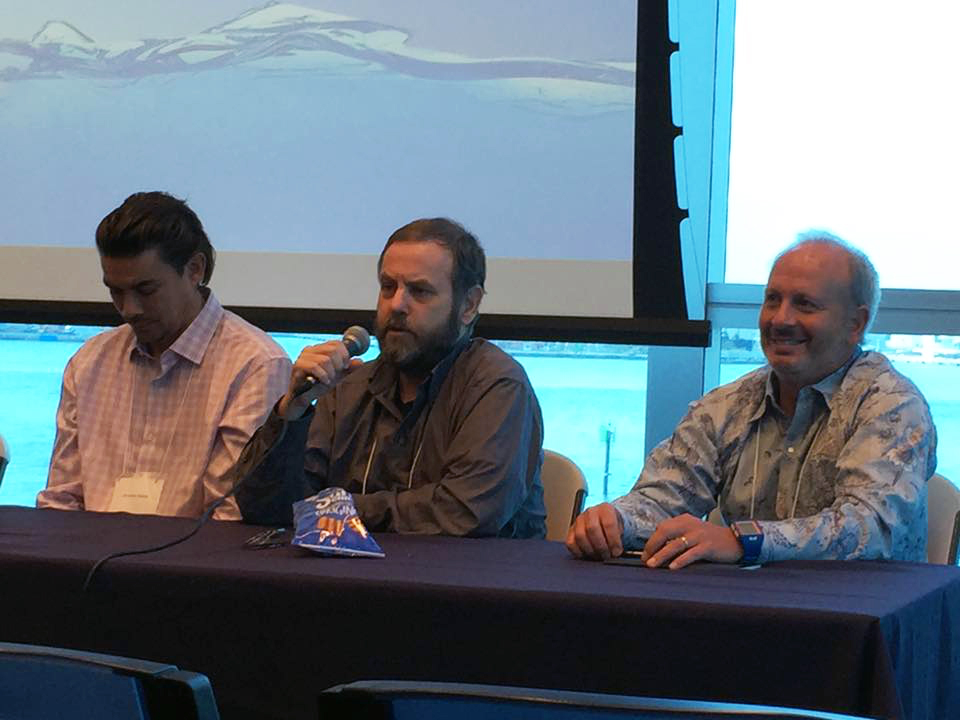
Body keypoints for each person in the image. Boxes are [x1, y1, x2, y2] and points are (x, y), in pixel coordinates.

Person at [568, 232, 937, 566]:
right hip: (747, 612)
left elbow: (868, 527)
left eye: (805, 305)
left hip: (863, 620)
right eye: (772, 300)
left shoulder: (892, 406)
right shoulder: (726, 406)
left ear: (855, 324)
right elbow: (662, 497)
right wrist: (615, 521)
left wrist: (745, 541)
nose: (780, 319)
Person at [236, 218, 546, 537]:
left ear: (468, 305)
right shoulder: (347, 387)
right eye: (388, 287)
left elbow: (463, 514)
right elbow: (266, 509)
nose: (397, 304)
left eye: (420, 291)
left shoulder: (497, 386)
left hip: (465, 581)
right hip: (346, 580)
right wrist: (294, 408)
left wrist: (337, 508)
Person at [37, 192, 291, 519]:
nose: (129, 309)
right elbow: (60, 500)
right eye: (115, 291)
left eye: (146, 290)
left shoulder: (255, 366)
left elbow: (230, 518)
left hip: (190, 566)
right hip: (87, 564)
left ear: (195, 269)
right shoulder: (89, 363)